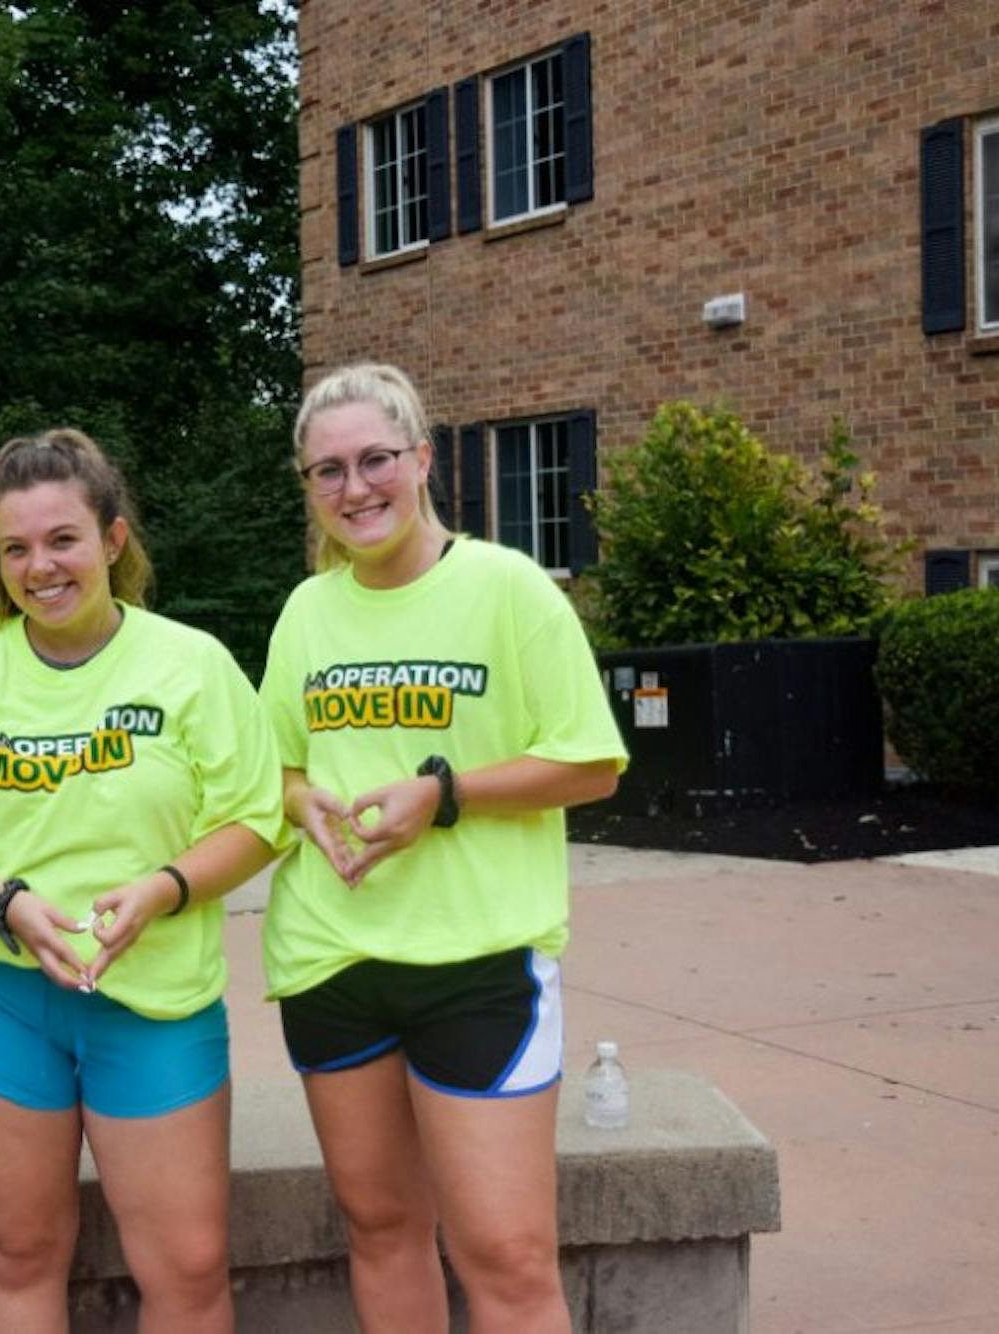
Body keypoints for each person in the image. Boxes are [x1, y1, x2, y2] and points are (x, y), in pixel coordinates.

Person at [0, 429, 281, 1334]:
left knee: (191, 1266)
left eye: (63, 540)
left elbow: (255, 820)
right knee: (19, 1253)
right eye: (16, 548)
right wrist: (5, 901)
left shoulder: (192, 663)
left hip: (155, 1002)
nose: (39, 567)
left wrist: (164, 887)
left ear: (113, 540)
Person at [259, 363, 627, 1334]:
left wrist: (444, 793)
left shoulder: (508, 588)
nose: (354, 488)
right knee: (380, 1228)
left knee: (505, 1255)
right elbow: (278, 772)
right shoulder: (305, 611)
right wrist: (306, 809)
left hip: (479, 961)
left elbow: (592, 764)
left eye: (374, 458)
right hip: (332, 958)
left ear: (421, 458)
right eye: (326, 470)